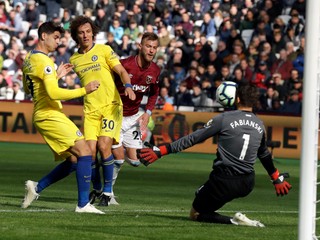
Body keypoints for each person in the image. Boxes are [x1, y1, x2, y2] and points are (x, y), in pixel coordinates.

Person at [137, 84, 292, 226]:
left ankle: (235, 221)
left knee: (196, 213)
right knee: (203, 194)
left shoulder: (224, 119)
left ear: (237, 98)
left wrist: (161, 151)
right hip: (247, 182)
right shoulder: (260, 124)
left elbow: (193, 138)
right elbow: (264, 154)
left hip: (224, 181)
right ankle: (206, 193)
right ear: (254, 102)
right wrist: (276, 178)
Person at [21, 21, 104, 214]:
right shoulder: (44, 61)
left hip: (45, 112)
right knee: (85, 152)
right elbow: (53, 94)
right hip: (48, 114)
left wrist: (55, 76)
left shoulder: (29, 57)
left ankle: (37, 187)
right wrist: (85, 90)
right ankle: (83, 204)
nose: (59, 42)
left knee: (75, 160)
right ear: (44, 36)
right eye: (56, 37)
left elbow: (28, 88)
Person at [69, 16, 136, 206]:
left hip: (111, 106)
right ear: (76, 36)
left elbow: (121, 71)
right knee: (89, 154)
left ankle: (107, 191)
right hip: (90, 110)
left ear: (93, 33)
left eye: (88, 31)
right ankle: (97, 189)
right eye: (81, 32)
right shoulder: (74, 59)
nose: (86, 35)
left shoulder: (105, 50)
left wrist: (128, 86)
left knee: (104, 146)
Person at [89, 32, 161, 205]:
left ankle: (102, 162)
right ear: (140, 46)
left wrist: (148, 112)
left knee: (135, 161)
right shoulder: (125, 65)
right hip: (116, 116)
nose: (151, 50)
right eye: (148, 46)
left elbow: (154, 92)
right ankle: (108, 193)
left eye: (154, 47)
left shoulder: (155, 70)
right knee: (119, 159)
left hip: (134, 116)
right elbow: (107, 81)